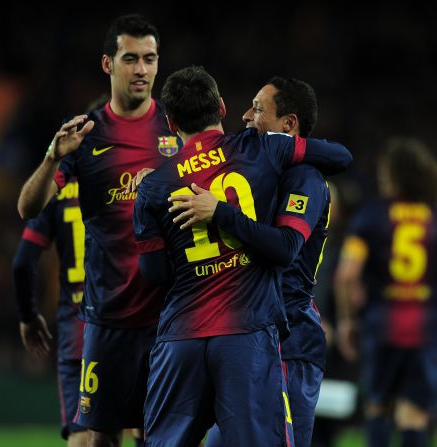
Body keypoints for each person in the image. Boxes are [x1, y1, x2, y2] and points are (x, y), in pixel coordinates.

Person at [133, 66, 351, 446]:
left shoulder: (304, 178)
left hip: (288, 338)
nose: (246, 116)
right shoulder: (255, 158)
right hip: (245, 334)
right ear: (217, 106)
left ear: (288, 124)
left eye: (257, 108)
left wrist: (218, 210)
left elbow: (284, 249)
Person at [17, 14, 174, 447]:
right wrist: (51, 158)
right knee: (99, 438)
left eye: (149, 58)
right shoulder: (86, 134)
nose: (141, 69)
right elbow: (28, 207)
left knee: (160, 435)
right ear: (108, 64)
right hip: (106, 320)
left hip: (167, 318)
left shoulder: (175, 129)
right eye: (130, 58)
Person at [334, 138, 437, 447]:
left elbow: (346, 276)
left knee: (378, 408)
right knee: (413, 415)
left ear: (393, 175)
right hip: (424, 325)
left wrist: (347, 320)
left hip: (381, 324)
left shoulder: (371, 217)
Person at [13, 178, 86, 447]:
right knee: (148, 425)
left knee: (83, 433)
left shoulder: (55, 189)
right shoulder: (123, 175)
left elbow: (22, 263)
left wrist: (28, 316)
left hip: (76, 331)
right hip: (129, 321)